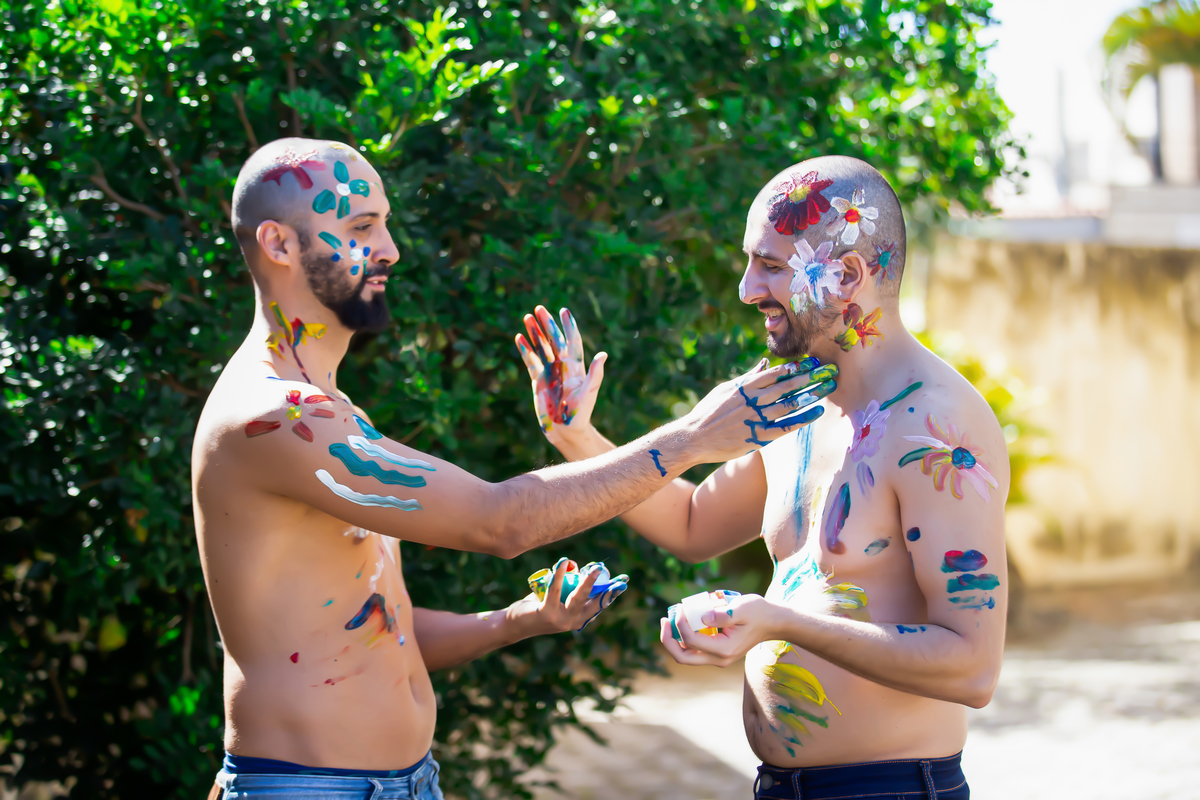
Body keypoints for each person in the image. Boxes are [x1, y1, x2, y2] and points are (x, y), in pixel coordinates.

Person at [192, 137, 829, 800]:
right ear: (279, 243)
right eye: (361, 227)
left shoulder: (327, 410)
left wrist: (520, 619)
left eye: (382, 222)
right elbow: (499, 522)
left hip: (402, 783)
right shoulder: (278, 418)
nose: (390, 249)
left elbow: (380, 629)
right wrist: (694, 436)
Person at [517, 155, 1008, 800]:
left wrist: (776, 621)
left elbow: (973, 668)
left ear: (849, 274)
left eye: (771, 266)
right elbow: (695, 525)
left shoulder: (934, 427)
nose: (747, 289)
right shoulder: (794, 400)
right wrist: (575, 434)